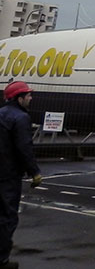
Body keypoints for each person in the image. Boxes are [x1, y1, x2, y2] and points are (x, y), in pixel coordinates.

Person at [0, 81, 42, 269]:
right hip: (8, 175)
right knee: (8, 217)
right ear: (19, 98)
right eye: (28, 95)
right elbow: (24, 148)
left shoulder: (1, 114)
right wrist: (34, 172)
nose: (31, 98)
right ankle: (2, 260)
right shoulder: (21, 118)